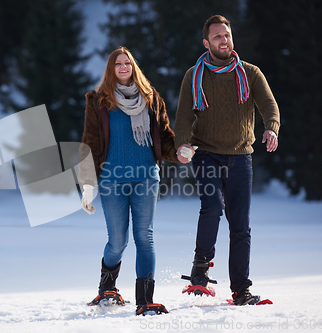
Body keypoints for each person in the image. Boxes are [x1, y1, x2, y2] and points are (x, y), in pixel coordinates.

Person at [174, 15, 280, 305]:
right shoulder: (193, 76)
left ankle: (241, 290)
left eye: (227, 35)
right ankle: (200, 271)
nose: (224, 40)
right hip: (206, 152)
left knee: (241, 225)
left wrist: (271, 127)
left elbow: (269, 105)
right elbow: (183, 115)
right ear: (206, 42)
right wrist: (182, 143)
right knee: (212, 207)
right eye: (218, 36)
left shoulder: (250, 73)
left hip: (241, 156)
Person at [79, 46, 179, 315]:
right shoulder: (99, 101)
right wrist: (88, 184)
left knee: (144, 237)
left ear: (134, 66)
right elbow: (89, 144)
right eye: (118, 63)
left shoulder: (150, 98)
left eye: (128, 63)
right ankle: (107, 288)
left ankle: (145, 301)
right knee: (118, 241)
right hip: (112, 180)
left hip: (146, 176)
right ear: (111, 69)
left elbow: (165, 137)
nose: (124, 67)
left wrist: (179, 152)